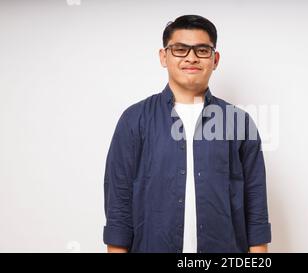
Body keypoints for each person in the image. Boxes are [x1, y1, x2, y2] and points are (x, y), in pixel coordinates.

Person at [103, 15, 271, 253]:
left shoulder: (238, 122)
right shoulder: (134, 120)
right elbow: (118, 204)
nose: (191, 57)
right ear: (164, 57)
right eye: (180, 49)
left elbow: (255, 205)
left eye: (202, 50)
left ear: (215, 59)